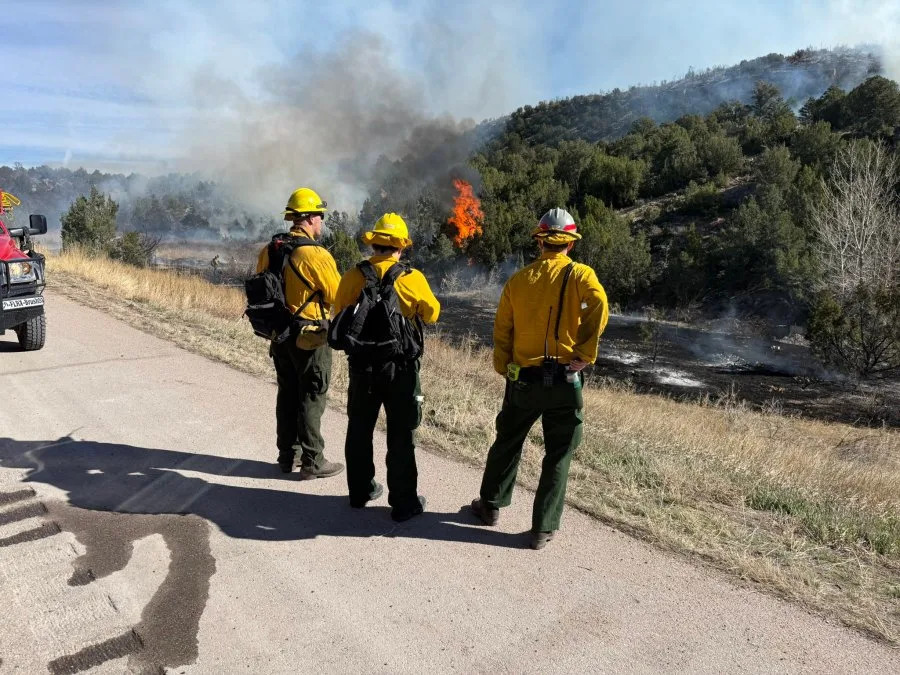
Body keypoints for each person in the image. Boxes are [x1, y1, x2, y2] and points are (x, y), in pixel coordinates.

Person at [470, 208, 609, 549]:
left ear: (540, 241)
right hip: (565, 379)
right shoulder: (581, 275)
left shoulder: (519, 280)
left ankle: (490, 506)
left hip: (524, 380)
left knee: (508, 441)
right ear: (570, 244)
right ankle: (542, 529)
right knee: (559, 453)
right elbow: (600, 305)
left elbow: (502, 330)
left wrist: (504, 366)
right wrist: (584, 353)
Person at [331, 213, 440, 521]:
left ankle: (360, 492)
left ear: (373, 244)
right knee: (401, 434)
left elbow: (339, 312)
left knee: (359, 428)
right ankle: (404, 503)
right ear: (400, 247)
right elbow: (432, 314)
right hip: (400, 370)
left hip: (362, 367)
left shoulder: (353, 276)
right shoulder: (412, 278)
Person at [256, 187, 344, 479]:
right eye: (320, 215)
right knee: (311, 396)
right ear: (308, 218)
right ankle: (313, 461)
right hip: (310, 338)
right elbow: (338, 296)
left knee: (287, 395)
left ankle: (287, 456)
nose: (321, 221)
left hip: (279, 336)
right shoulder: (315, 254)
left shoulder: (270, 250)